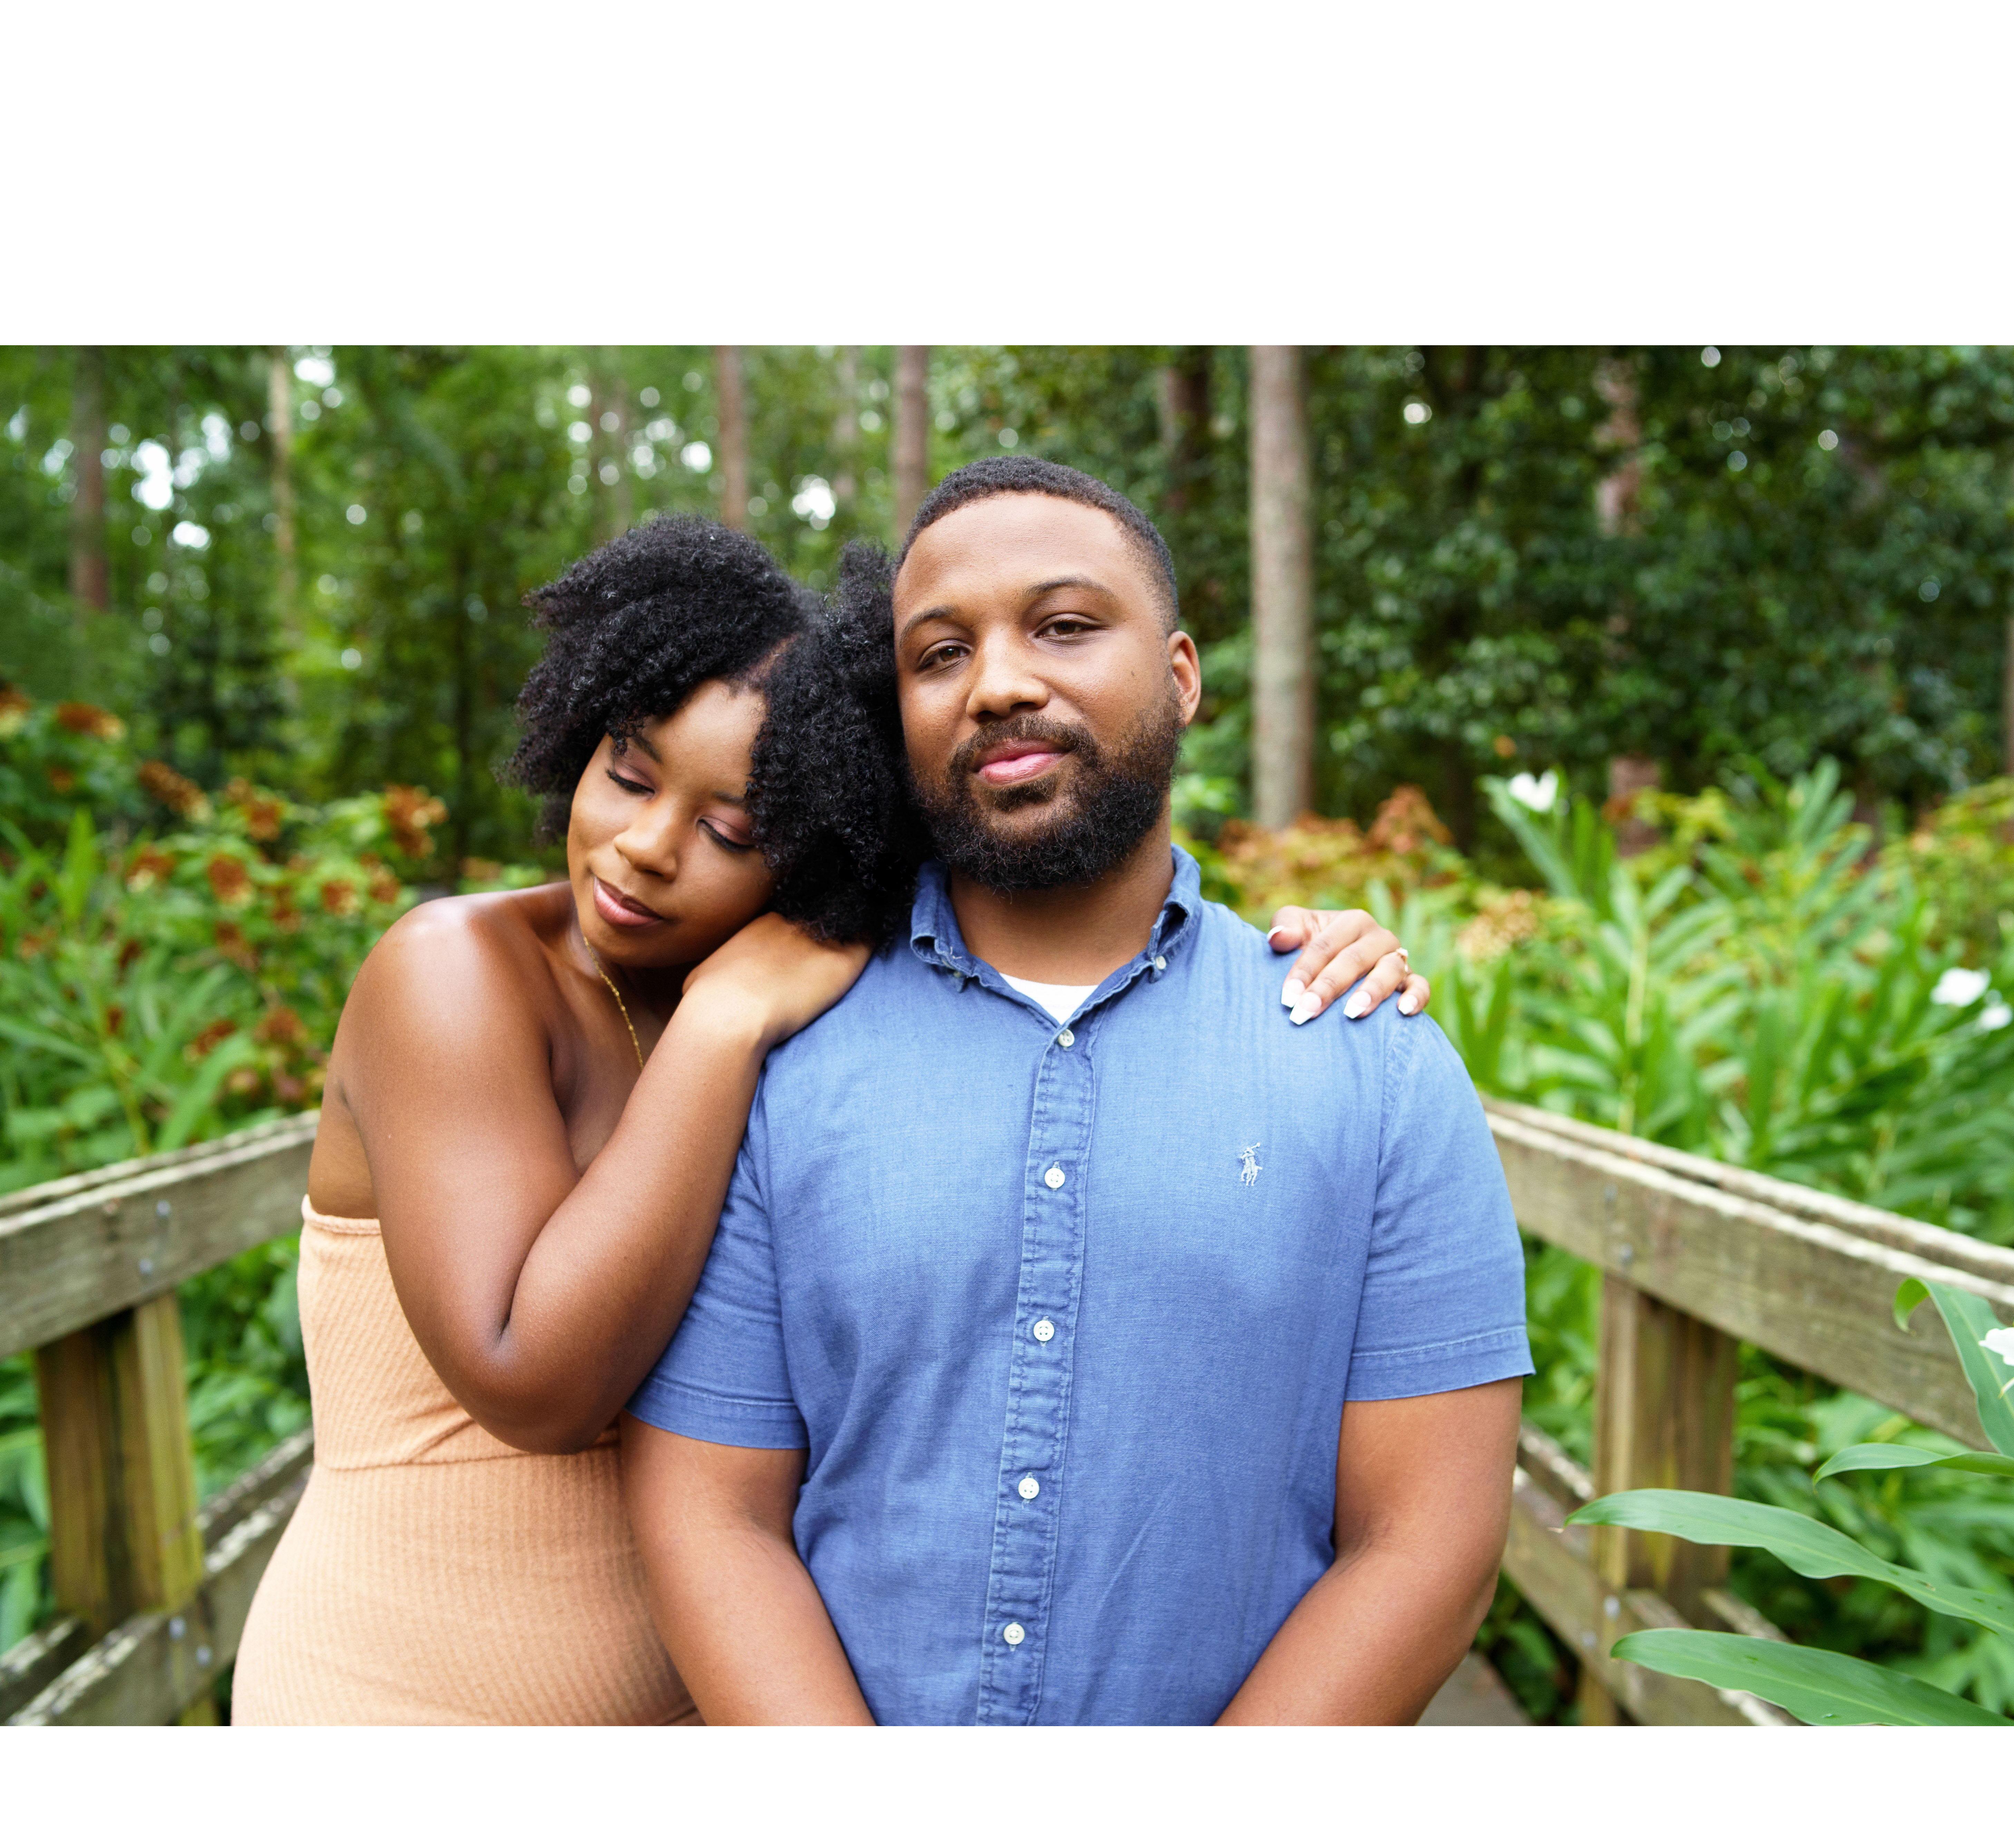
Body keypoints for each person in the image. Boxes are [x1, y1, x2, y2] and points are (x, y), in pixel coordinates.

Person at [231, 513, 1430, 1726]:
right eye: (629, 774)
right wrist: (721, 1025)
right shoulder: (458, 974)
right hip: (395, 1701)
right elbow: (528, 1380)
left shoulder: (806, 1010)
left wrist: (1311, 952)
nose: (645, 850)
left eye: (730, 833)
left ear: (815, 851)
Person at [622, 460, 1531, 1726]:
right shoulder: (778, 1059)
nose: (997, 683)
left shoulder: (1372, 1061)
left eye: (1062, 626)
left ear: (1181, 675)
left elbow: (1427, 1540)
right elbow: (708, 1510)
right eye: (940, 654)